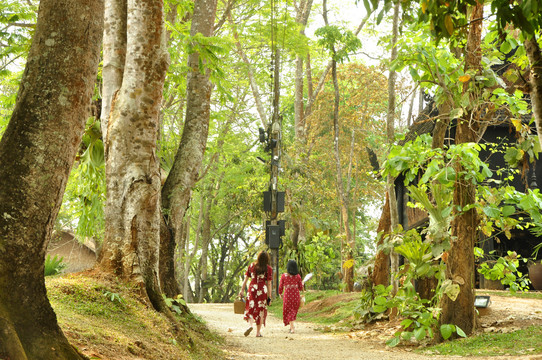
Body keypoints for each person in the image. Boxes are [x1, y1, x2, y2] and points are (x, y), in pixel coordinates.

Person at [238, 250, 272, 337]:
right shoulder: (268, 269)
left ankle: (250, 325)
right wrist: (269, 297)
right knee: (261, 310)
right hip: (262, 289)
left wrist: (242, 290)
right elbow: (269, 283)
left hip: (252, 288)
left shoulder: (252, 266)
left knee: (251, 307)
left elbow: (245, 280)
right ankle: (258, 332)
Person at [278, 259, 304, 333]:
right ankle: (291, 326)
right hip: (296, 296)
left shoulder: (284, 276)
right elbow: (300, 287)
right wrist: (302, 283)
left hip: (287, 296)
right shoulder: (298, 276)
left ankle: (292, 328)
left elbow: (280, 286)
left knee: (289, 311)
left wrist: (280, 293)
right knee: (293, 310)